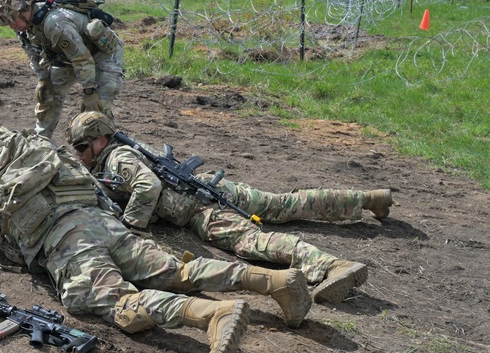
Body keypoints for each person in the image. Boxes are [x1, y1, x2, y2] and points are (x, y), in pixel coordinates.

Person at [0, 124, 314, 353]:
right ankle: (275, 281)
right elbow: (95, 188)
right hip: (107, 224)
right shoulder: (47, 150)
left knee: (116, 303)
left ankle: (213, 315)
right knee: (175, 271)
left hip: (66, 242)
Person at [65, 111, 394, 304]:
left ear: (101, 141)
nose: (79, 154)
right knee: (282, 204)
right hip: (211, 184)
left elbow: (147, 186)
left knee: (251, 242)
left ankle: (331, 266)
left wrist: (132, 227)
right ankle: (368, 199)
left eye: (82, 147)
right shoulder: (122, 152)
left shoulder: (118, 157)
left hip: (202, 207)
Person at [0, 0, 124, 139]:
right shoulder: (24, 29)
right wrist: (44, 79)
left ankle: (109, 148)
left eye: (12, 19)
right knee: (48, 95)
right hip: (68, 57)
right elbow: (35, 56)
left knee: (95, 113)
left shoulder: (55, 23)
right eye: (6, 22)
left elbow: (82, 59)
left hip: (103, 55)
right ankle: (41, 140)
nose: (11, 26)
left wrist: (90, 92)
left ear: (24, 9)